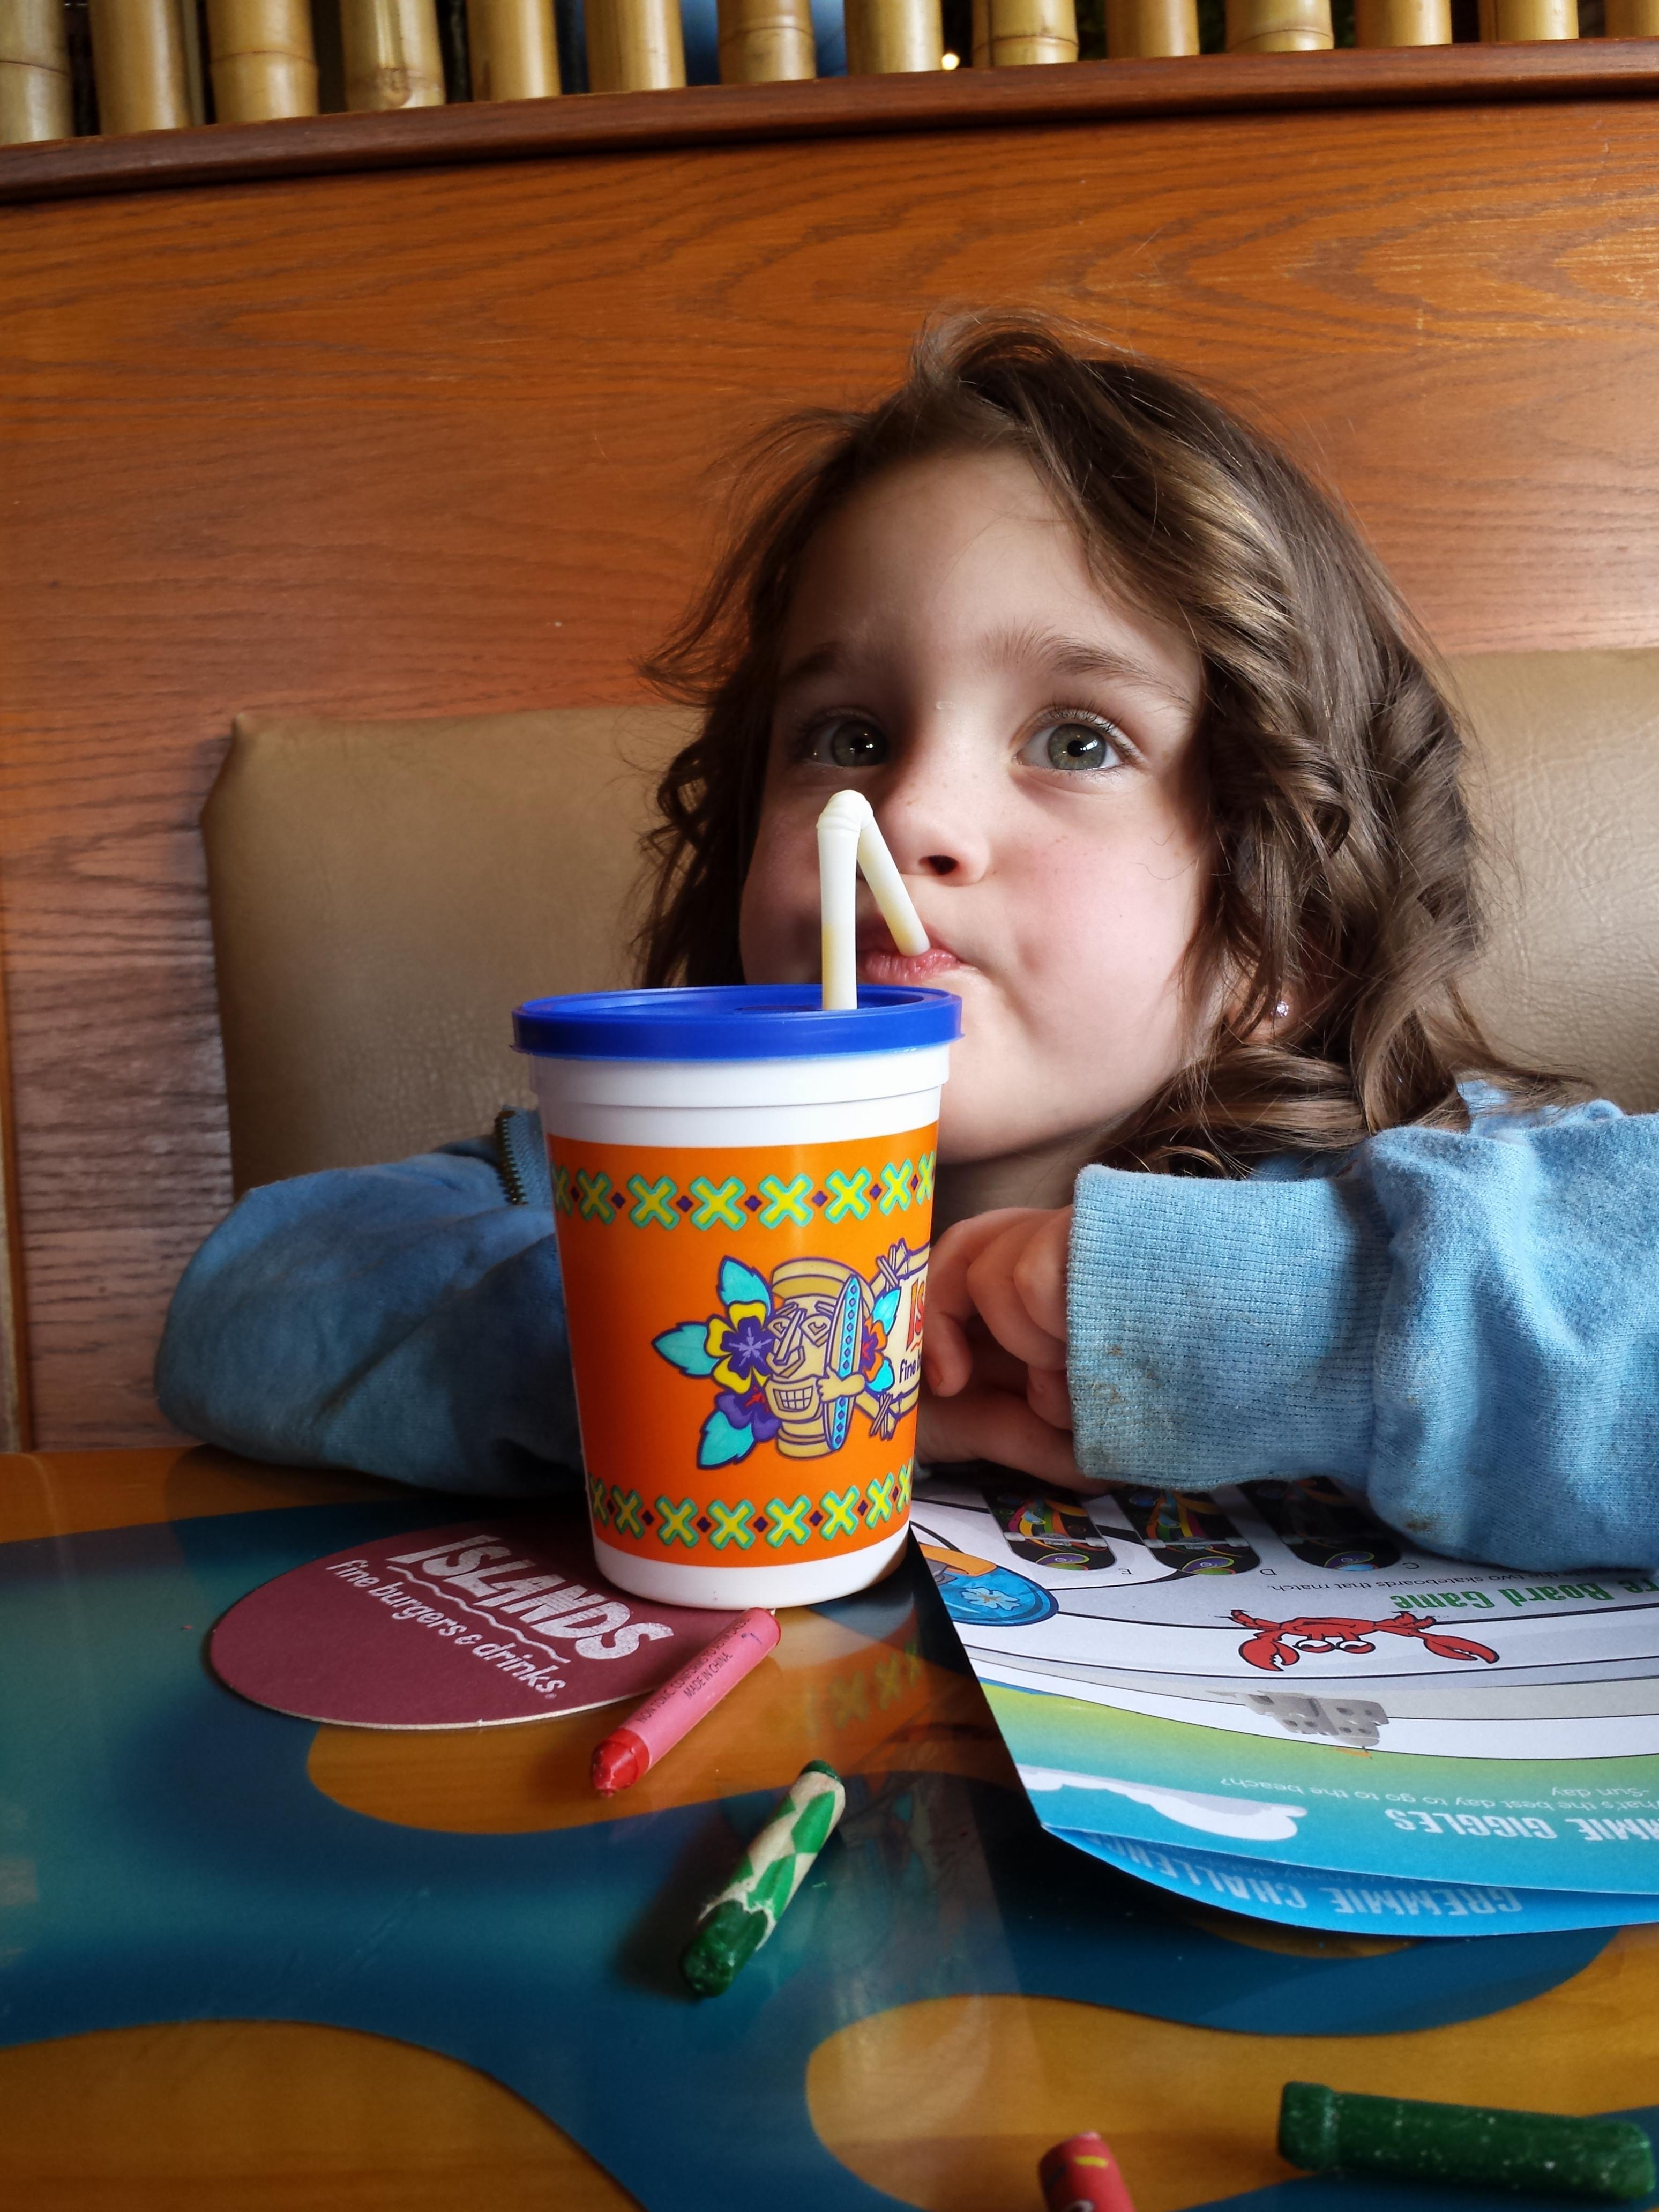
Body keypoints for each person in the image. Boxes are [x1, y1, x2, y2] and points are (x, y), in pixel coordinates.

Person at [156, 314, 1659, 1572]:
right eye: (848, 736)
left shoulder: (1424, 1199)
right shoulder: (635, 1179)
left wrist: (1208, 1313)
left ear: (1288, 935)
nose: (905, 815)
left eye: (1077, 740)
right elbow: (249, 1300)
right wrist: (783, 1367)